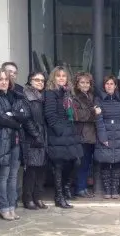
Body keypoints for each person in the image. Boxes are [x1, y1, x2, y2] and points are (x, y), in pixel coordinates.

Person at [44, 66, 84, 208]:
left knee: (77, 161)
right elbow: (50, 115)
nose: (61, 78)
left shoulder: (68, 93)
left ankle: (67, 186)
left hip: (70, 133)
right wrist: (60, 131)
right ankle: (59, 196)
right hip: (57, 135)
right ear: (53, 78)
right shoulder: (50, 93)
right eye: (58, 76)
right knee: (58, 166)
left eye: (64, 76)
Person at [0, 68, 23, 221]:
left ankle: (11, 206)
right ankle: (3, 207)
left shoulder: (14, 96)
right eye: (0, 79)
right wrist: (16, 122)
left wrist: (13, 116)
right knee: (2, 177)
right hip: (2, 141)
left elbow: (23, 115)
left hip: (15, 141)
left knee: (13, 177)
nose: (4, 82)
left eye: (6, 79)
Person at [15, 71, 49, 210]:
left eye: (42, 80)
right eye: (36, 80)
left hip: (43, 136)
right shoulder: (25, 97)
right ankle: (28, 198)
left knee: (41, 169)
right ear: (30, 81)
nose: (40, 82)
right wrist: (36, 135)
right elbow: (26, 119)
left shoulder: (42, 97)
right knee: (31, 170)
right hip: (31, 138)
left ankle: (38, 197)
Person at [94, 75, 120, 199]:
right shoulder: (98, 100)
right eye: (107, 84)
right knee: (105, 163)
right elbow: (98, 120)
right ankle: (107, 189)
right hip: (104, 134)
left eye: (112, 84)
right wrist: (103, 137)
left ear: (116, 86)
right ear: (104, 86)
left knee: (116, 164)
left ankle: (115, 188)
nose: (109, 86)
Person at [72, 72, 97, 198]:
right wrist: (93, 113)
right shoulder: (74, 97)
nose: (85, 85)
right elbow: (77, 115)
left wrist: (91, 114)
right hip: (81, 135)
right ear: (77, 84)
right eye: (82, 82)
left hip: (92, 136)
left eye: (87, 82)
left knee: (87, 164)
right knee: (81, 164)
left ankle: (84, 187)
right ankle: (80, 188)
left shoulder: (91, 96)